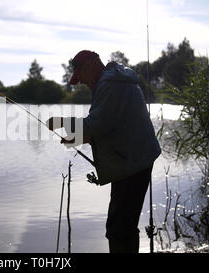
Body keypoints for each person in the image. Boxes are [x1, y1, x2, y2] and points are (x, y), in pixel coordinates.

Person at [47, 50, 161, 253]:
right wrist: (79, 137)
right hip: (134, 159)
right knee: (122, 225)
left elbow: (97, 124)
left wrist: (62, 122)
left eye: (80, 75)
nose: (80, 81)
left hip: (132, 163)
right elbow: (111, 124)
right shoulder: (115, 80)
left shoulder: (110, 85)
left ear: (89, 66)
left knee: (119, 228)